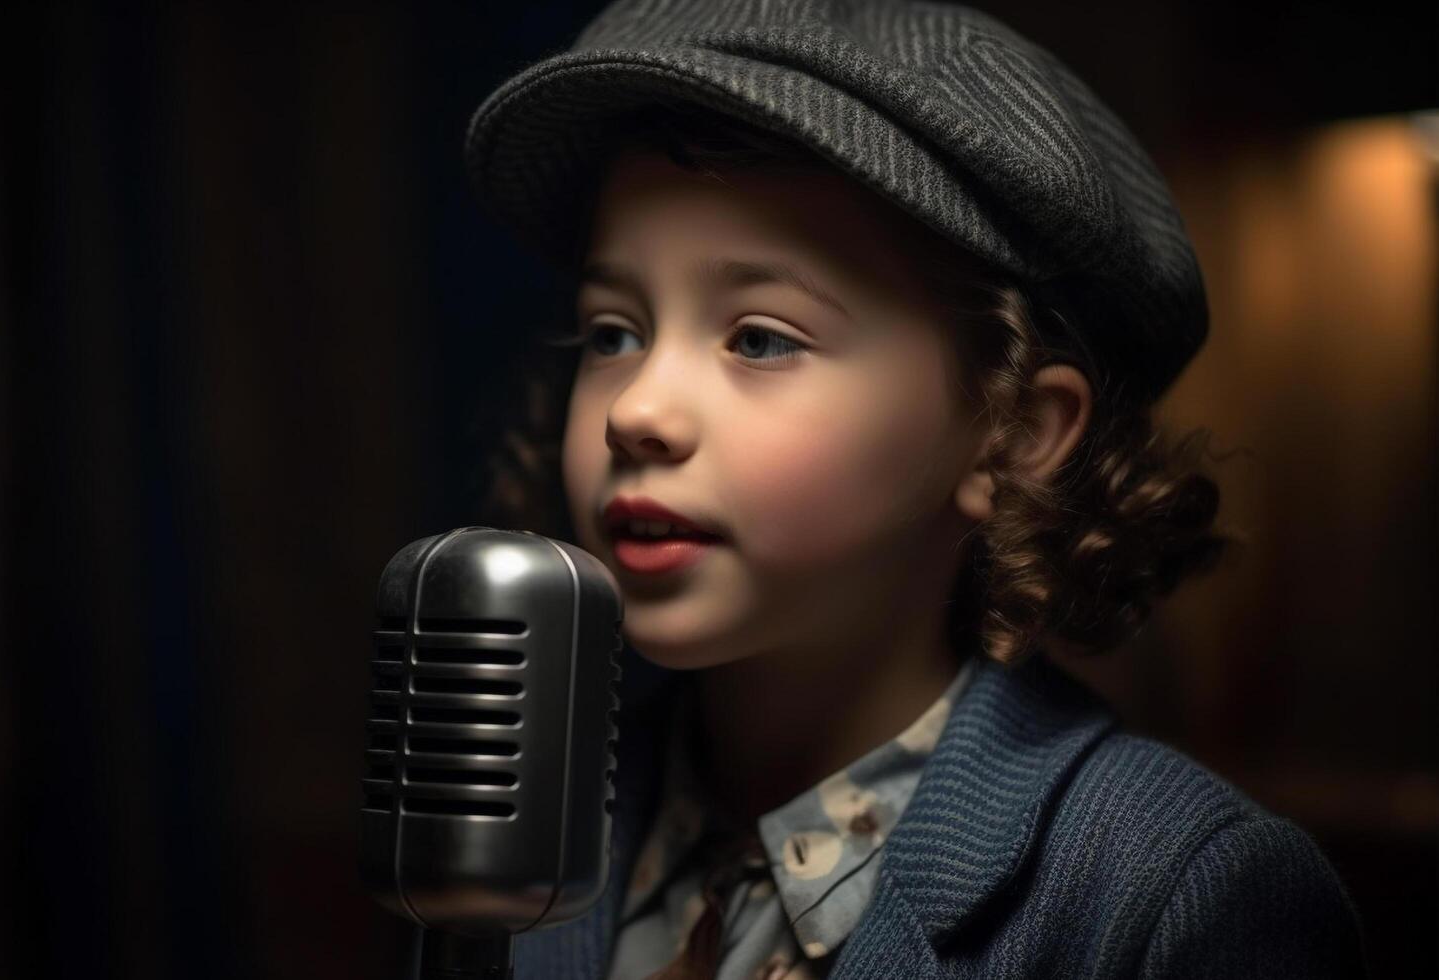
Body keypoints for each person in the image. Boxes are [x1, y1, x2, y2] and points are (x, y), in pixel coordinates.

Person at [460, 1, 1368, 976]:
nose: (634, 408)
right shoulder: (499, 832)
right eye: (613, 332)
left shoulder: (1166, 896)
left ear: (1008, 433)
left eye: (759, 337)